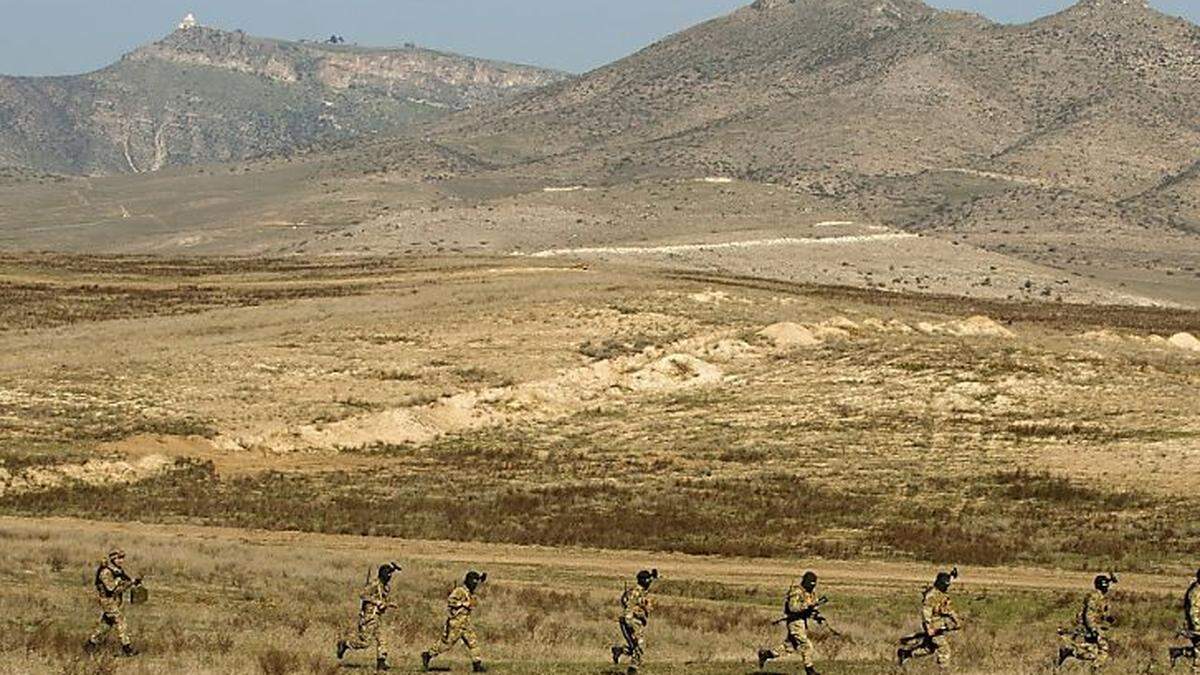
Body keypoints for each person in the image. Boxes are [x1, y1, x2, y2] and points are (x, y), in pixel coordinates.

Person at [758, 570, 825, 674]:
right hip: (795, 622)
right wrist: (807, 606)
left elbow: (810, 609)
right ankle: (810, 670)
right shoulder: (797, 592)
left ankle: (767, 654)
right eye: (810, 584)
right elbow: (793, 607)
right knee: (806, 645)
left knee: (789, 647)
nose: (812, 586)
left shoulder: (811, 593)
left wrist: (816, 616)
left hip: (802, 621)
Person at [337, 562, 401, 671]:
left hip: (378, 617)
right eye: (389, 574)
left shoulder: (385, 587)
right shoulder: (374, 584)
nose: (390, 577)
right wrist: (376, 602)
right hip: (369, 617)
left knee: (382, 639)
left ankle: (381, 662)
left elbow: (383, 600)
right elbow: (363, 595)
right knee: (365, 642)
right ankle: (345, 644)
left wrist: (389, 604)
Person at [422, 571, 487, 672]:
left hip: (465, 622)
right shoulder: (459, 591)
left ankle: (477, 664)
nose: (475, 585)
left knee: (473, 643)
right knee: (446, 645)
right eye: (474, 582)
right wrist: (463, 604)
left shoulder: (469, 592)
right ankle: (428, 655)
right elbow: (450, 601)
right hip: (455, 623)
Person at [898, 568, 960, 670]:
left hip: (940, 625)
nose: (948, 586)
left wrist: (952, 575)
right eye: (946, 584)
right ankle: (944, 670)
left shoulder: (941, 593)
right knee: (944, 649)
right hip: (933, 625)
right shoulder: (931, 596)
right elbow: (926, 612)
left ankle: (906, 654)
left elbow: (948, 608)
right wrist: (928, 627)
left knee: (929, 648)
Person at [84, 548, 140, 656]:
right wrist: (119, 581)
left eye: (122, 558)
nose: (121, 561)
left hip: (114, 600)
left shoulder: (117, 570)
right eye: (119, 558)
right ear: (113, 559)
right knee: (120, 621)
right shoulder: (106, 571)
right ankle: (127, 649)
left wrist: (132, 582)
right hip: (107, 601)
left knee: (106, 625)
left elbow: (123, 585)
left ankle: (91, 644)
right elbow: (110, 588)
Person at [1057, 574, 1117, 671]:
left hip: (1096, 627)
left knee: (1093, 651)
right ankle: (1094, 667)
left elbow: (1101, 613)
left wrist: (1108, 618)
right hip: (1091, 627)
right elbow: (1088, 615)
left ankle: (1071, 651)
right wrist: (1093, 629)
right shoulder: (1094, 597)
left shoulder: (1102, 598)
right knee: (1103, 649)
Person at [612, 569, 658, 675]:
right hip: (632, 622)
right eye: (648, 580)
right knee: (639, 646)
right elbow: (629, 607)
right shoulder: (636, 592)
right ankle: (633, 669)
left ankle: (619, 650)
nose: (650, 582)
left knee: (634, 648)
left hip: (636, 622)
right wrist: (630, 622)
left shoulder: (642, 592)